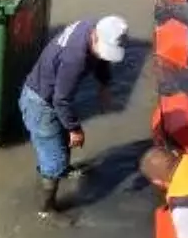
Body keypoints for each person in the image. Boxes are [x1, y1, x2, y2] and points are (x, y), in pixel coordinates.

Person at [19, 16, 129, 218]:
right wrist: (75, 129)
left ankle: (62, 169)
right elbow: (61, 100)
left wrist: (104, 85)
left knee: (60, 146)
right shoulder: (75, 58)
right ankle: (46, 210)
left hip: (52, 98)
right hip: (41, 104)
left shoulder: (93, 26)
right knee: (54, 159)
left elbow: (100, 59)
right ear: (95, 37)